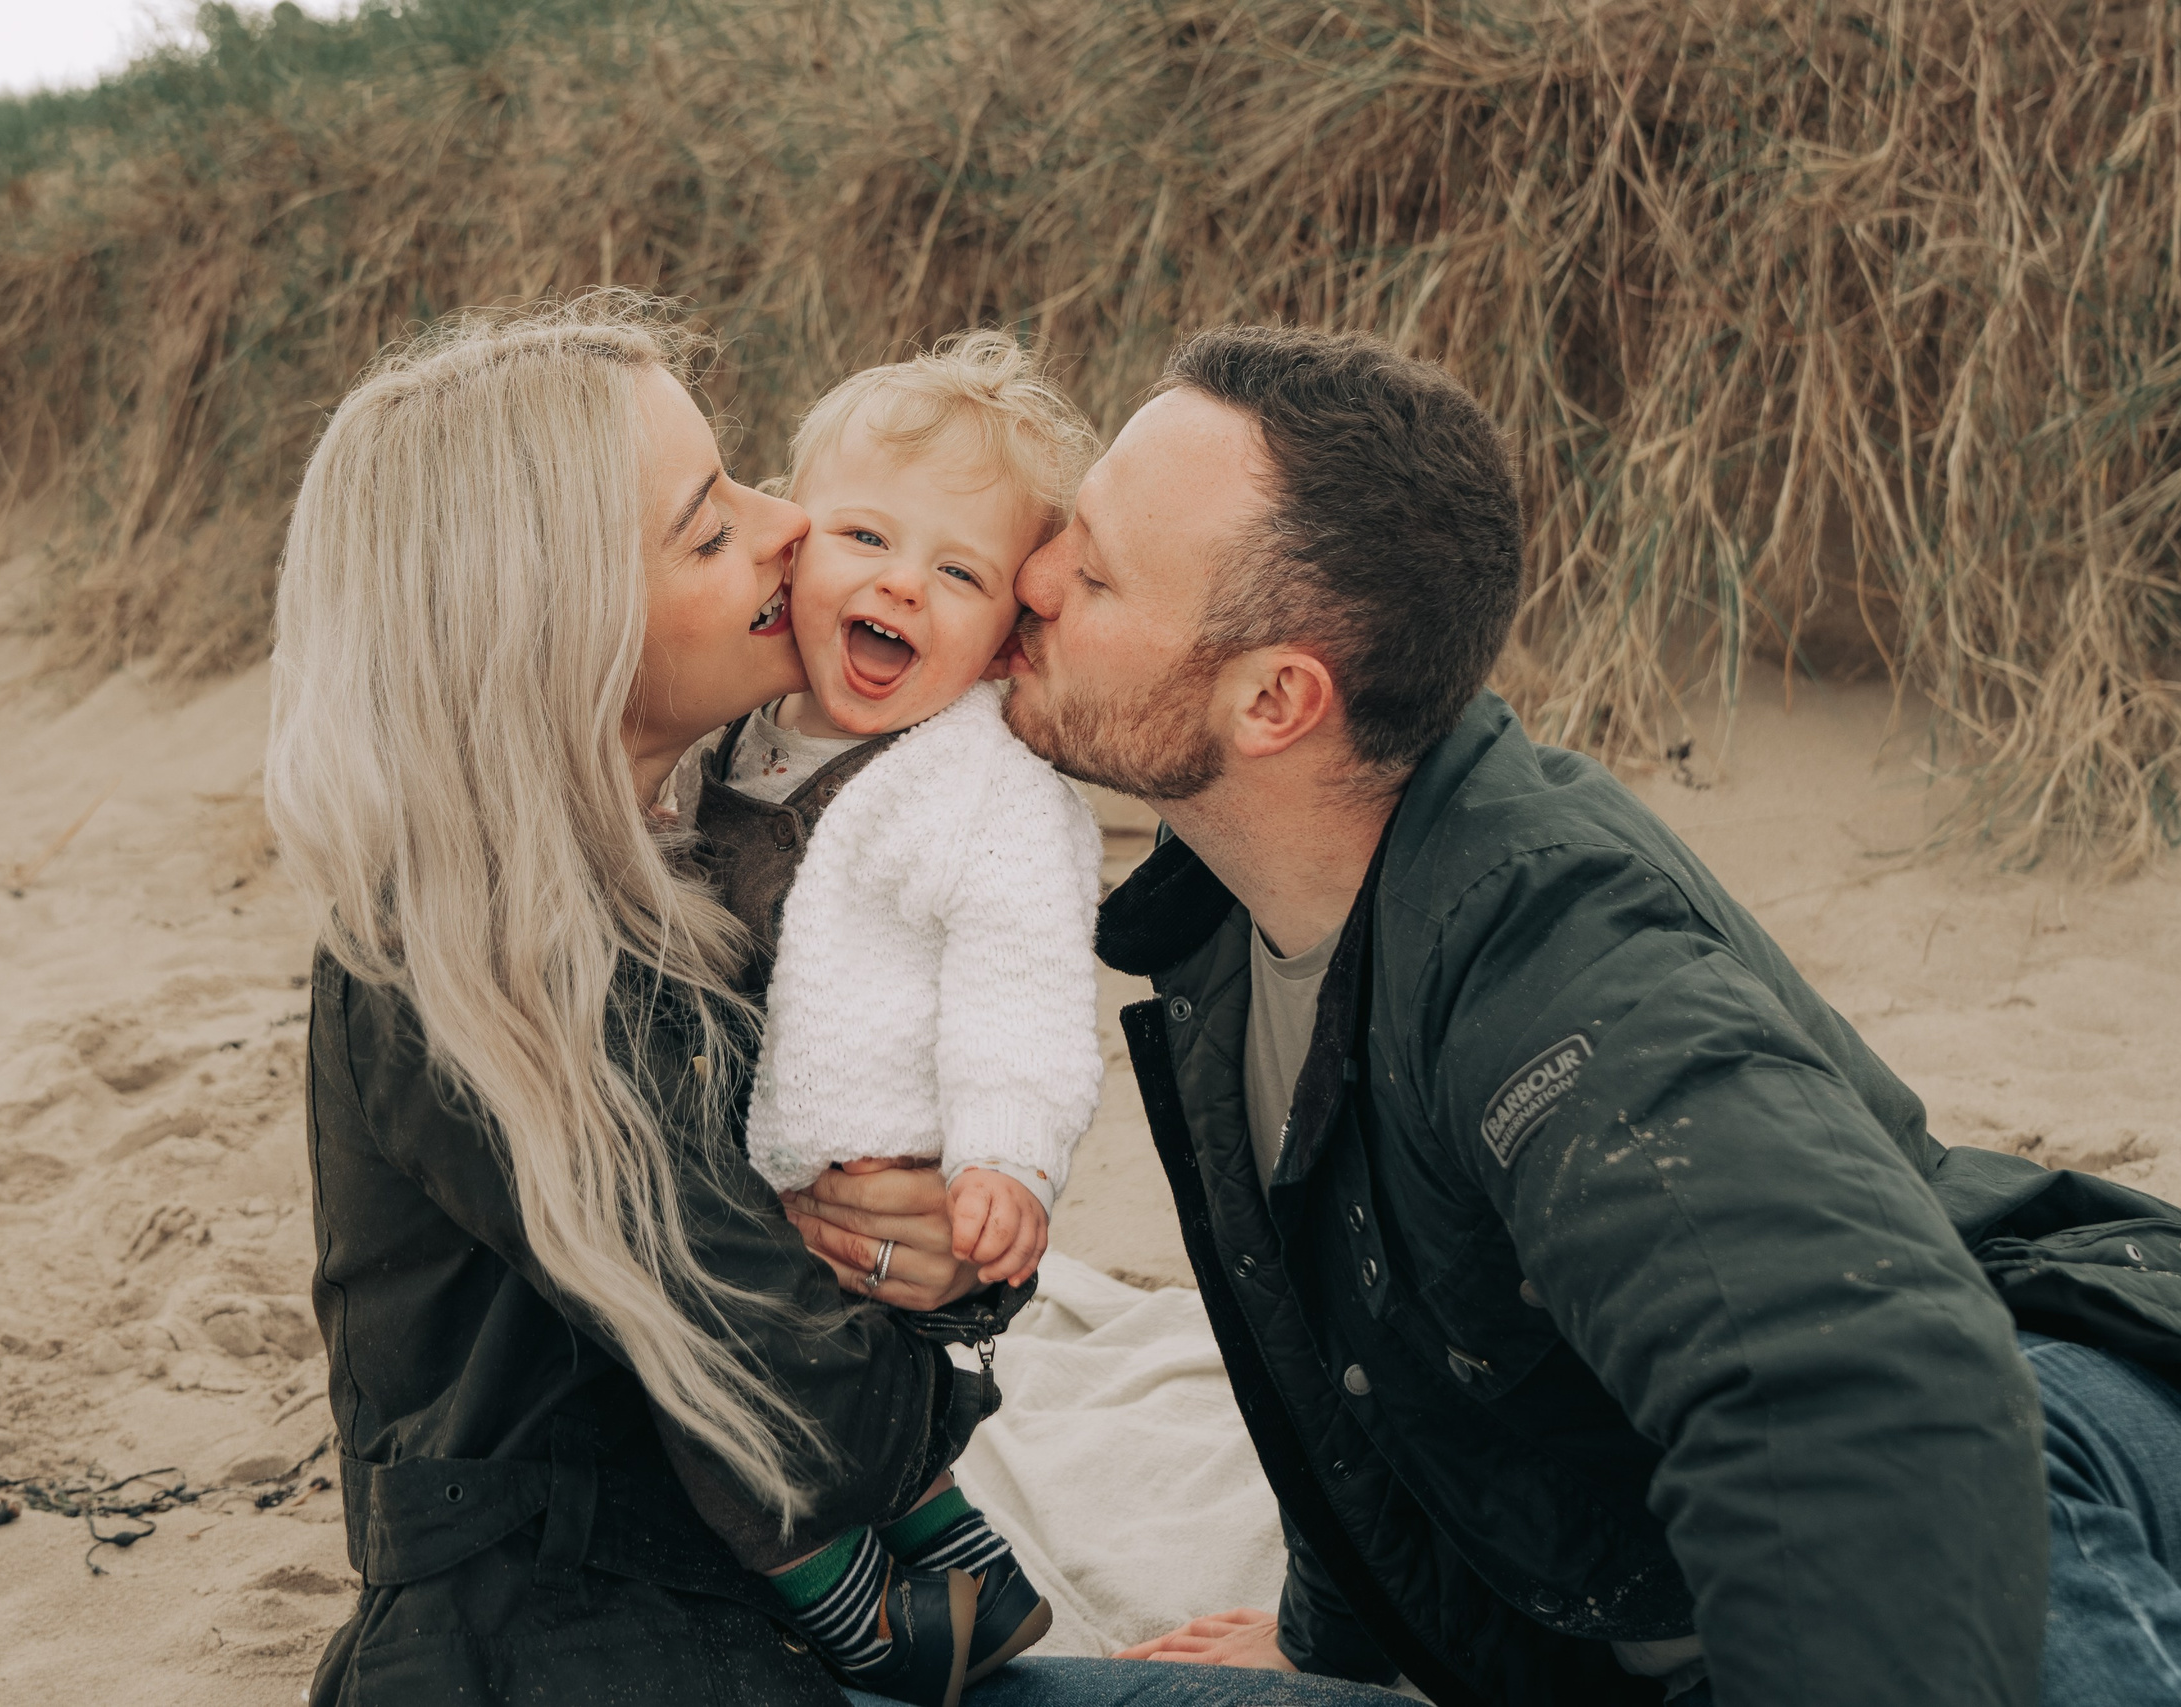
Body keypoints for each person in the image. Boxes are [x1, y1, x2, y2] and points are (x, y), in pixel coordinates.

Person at [798, 323, 2181, 1707]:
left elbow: (1870, 1393)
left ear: (1275, 699)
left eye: (1091, 570)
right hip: (1610, 1622)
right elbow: (1342, 1359)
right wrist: (1338, 1637)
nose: (1030, 577)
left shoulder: (1549, 949)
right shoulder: (1223, 920)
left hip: (2028, 1447)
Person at [268, 295, 1410, 1707]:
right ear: (557, 617)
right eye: (708, 524)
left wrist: (930, 1242)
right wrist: (920, 1302)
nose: (787, 529)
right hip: (598, 1659)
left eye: (750, 478)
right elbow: (811, 1423)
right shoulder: (486, 961)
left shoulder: (660, 860)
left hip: (734, 1624)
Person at [693, 333, 1108, 1701]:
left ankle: (861, 1605)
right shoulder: (739, 728)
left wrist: (1008, 1156)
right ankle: (956, 1550)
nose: (898, 582)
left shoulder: (977, 786)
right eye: (865, 532)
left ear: (1006, 632)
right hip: (756, 1175)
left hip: (871, 1186)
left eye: (960, 571)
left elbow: (1025, 986)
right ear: (792, 543)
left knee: (732, 1421)